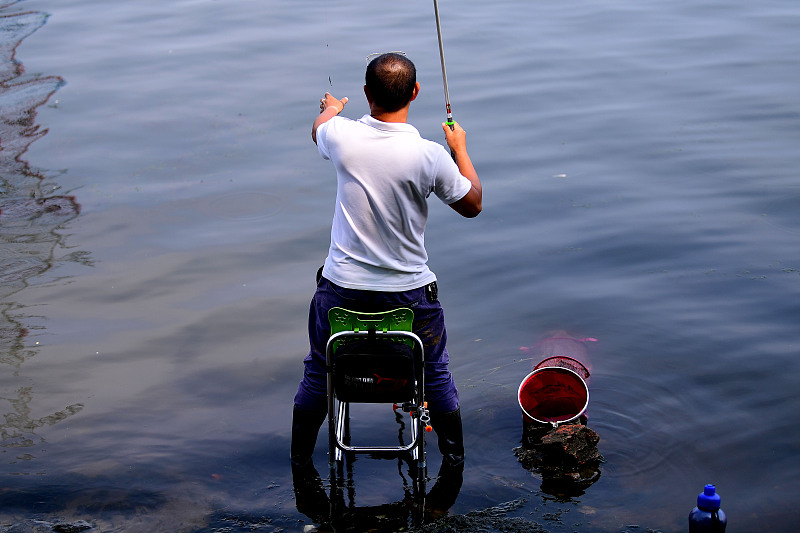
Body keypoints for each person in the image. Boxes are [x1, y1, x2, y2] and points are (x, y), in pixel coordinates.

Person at [291, 52, 482, 478]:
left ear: (365, 94)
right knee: (435, 372)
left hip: (341, 295)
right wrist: (460, 149)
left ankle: (300, 465)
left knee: (317, 369)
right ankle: (454, 464)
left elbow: (318, 129)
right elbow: (474, 204)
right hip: (411, 302)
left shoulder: (341, 136)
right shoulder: (430, 156)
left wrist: (330, 108)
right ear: (415, 93)